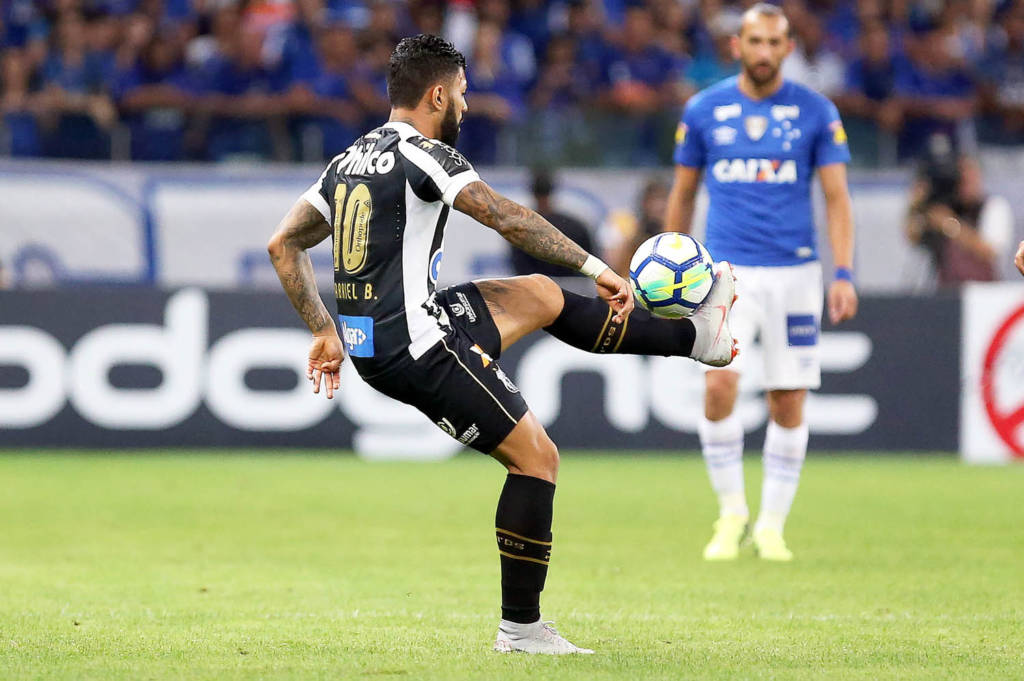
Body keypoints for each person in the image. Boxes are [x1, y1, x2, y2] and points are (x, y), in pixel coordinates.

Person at [268, 34, 738, 655]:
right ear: (438, 95)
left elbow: (283, 243)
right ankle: (521, 630)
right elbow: (504, 215)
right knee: (537, 458)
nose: (467, 105)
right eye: (463, 93)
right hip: (418, 346)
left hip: (385, 335)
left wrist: (323, 329)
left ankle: (696, 338)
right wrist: (596, 266)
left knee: (539, 295)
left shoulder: (350, 158)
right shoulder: (427, 155)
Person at [664, 4, 858, 562]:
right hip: (726, 275)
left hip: (796, 273)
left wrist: (843, 272)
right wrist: (671, 263)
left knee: (787, 398)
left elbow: (837, 198)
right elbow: (682, 192)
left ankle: (772, 525)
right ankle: (731, 513)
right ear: (737, 46)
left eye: (775, 42)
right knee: (718, 387)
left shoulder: (817, 111)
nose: (765, 51)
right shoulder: (704, 110)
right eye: (755, 41)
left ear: (789, 48)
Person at [905, 142, 1013, 286]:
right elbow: (913, 237)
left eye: (971, 174)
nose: (965, 179)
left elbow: (990, 252)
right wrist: (916, 206)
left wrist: (949, 224)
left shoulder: (993, 206)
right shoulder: (945, 206)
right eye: (961, 174)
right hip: (947, 290)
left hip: (985, 292)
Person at [509, 169, 595, 278]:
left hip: (536, 287)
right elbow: (589, 266)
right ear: (552, 190)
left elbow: (520, 270)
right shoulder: (575, 227)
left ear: (532, 192)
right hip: (572, 287)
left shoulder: (521, 229)